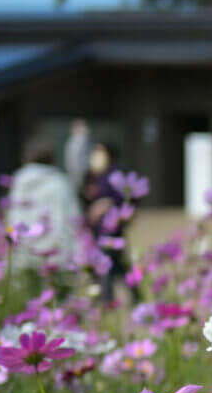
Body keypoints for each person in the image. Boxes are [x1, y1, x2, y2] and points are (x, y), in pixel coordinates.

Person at [8, 140, 82, 271]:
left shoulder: (19, 181)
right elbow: (72, 217)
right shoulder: (59, 181)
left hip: (25, 249)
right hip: (55, 252)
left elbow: (13, 216)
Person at [80, 143, 137, 305]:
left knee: (109, 264)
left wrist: (107, 203)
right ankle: (131, 295)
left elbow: (124, 200)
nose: (96, 156)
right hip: (98, 230)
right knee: (117, 265)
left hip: (112, 230)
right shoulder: (93, 174)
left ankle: (106, 299)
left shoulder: (116, 174)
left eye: (100, 152)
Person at [63, 119, 91, 194]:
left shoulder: (81, 140)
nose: (85, 128)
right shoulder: (77, 141)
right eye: (82, 126)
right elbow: (74, 163)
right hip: (79, 177)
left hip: (81, 176)